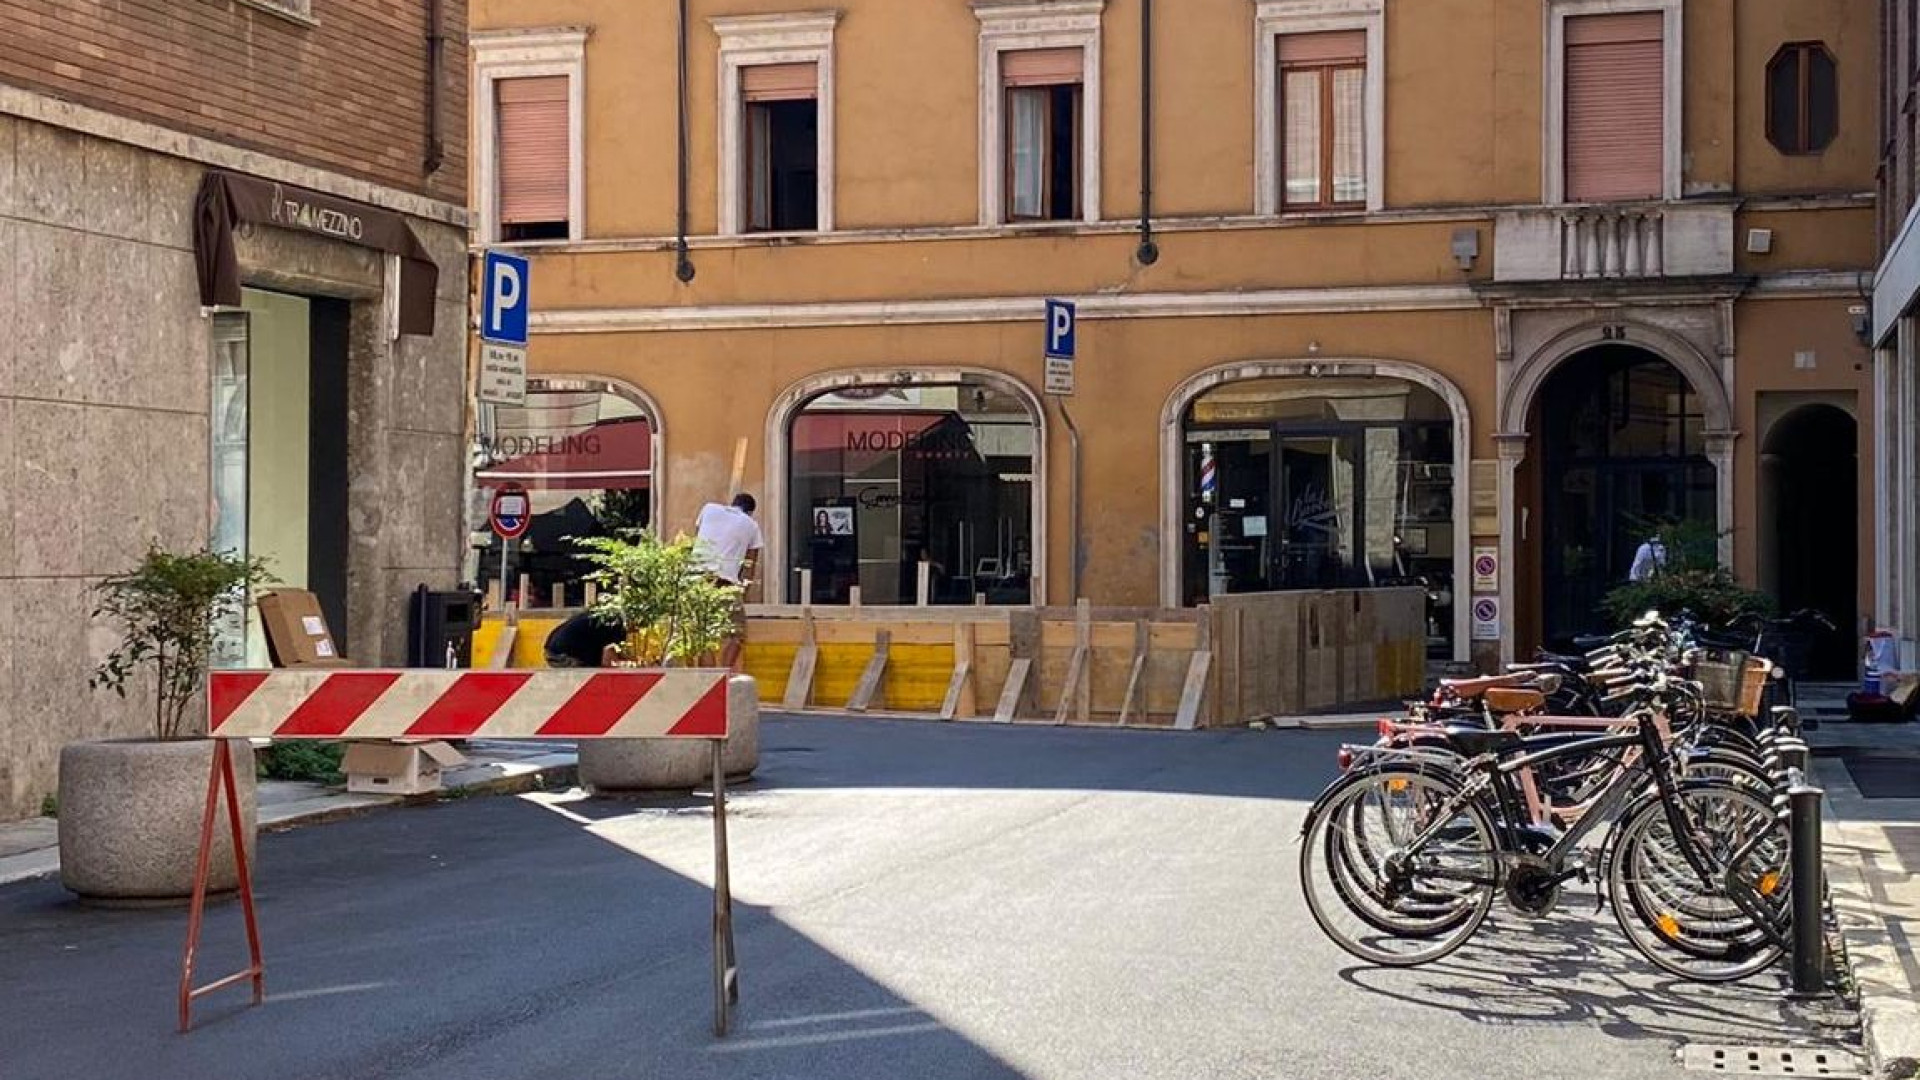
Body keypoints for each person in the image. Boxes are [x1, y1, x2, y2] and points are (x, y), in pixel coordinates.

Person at [694, 493, 765, 671]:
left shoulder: (709, 508)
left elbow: (697, 536)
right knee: (737, 634)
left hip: (695, 578)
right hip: (723, 582)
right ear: (750, 512)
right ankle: (723, 674)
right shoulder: (751, 525)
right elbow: (750, 565)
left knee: (703, 634)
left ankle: (708, 678)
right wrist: (743, 594)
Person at [544, 609, 626, 668]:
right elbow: (608, 660)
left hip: (552, 649)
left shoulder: (602, 614)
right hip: (564, 654)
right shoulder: (615, 625)